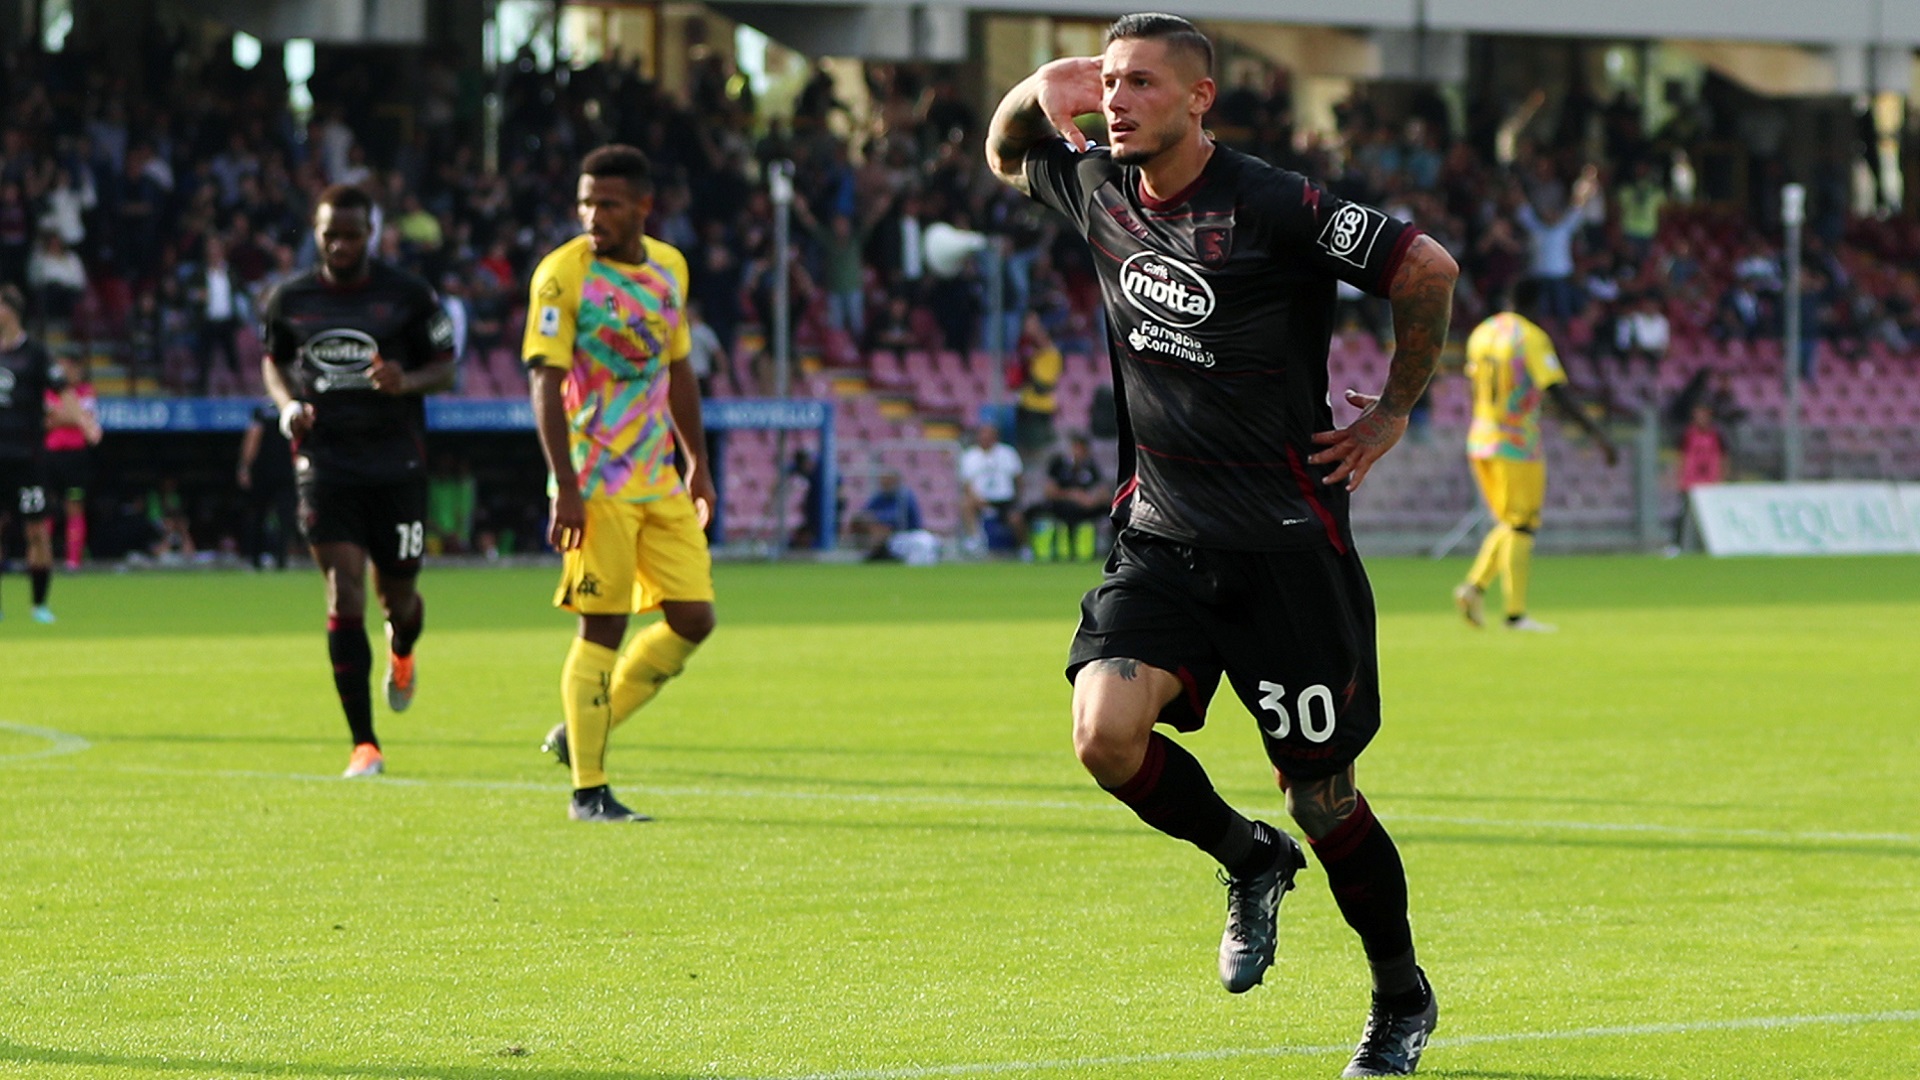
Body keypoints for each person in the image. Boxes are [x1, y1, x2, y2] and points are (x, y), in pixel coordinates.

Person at [986, 15, 1458, 1076]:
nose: (1117, 102)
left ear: (1201, 98)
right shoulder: (1098, 185)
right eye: (1109, 82)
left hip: (1286, 551)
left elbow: (1426, 267)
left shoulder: (1277, 205)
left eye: (1142, 84)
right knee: (1104, 737)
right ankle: (1249, 858)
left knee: (1323, 797)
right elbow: (1007, 150)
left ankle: (1399, 994)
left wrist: (1392, 410)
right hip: (1162, 536)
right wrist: (1039, 82)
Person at [524, 144, 719, 824]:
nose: (592, 216)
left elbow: (679, 367)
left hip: (657, 477)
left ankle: (582, 727)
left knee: (694, 617)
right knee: (603, 626)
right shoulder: (562, 276)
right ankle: (588, 790)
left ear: (643, 206)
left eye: (606, 204)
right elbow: (545, 382)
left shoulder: (669, 268)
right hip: (595, 481)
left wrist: (697, 461)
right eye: (585, 203)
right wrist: (565, 484)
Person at [260, 185, 457, 778]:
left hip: (396, 463)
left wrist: (406, 380)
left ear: (371, 234)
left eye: (352, 235)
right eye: (331, 235)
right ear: (316, 234)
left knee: (399, 600)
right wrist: (287, 407)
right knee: (343, 591)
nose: (341, 245)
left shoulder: (408, 295)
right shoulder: (290, 299)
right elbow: (274, 360)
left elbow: (446, 369)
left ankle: (402, 648)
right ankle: (364, 744)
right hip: (326, 462)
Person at [1453, 289, 1618, 633]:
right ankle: (1514, 614)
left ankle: (1475, 588)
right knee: (1522, 525)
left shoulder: (1482, 333)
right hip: (1517, 443)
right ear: (1534, 306)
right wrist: (1597, 434)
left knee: (1508, 523)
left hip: (1481, 437)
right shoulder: (1530, 337)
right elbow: (1555, 389)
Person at [0, 285, 81, 623]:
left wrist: (82, 420)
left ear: (10, 311)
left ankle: (39, 605)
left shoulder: (35, 353)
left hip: (28, 460)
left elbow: (63, 392)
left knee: (37, 532)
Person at [42, 354, 101, 570]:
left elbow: (86, 420)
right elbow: (46, 422)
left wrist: (60, 414)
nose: (65, 372)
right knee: (44, 508)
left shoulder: (86, 392)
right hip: (50, 456)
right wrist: (74, 417)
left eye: (69, 367)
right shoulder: (48, 391)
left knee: (74, 507)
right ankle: (43, 559)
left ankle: (73, 561)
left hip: (75, 457)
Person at [237, 399, 299, 569]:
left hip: (263, 472)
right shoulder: (291, 407)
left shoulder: (262, 411)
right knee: (285, 518)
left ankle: (256, 559)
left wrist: (244, 467)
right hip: (286, 472)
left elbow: (253, 437)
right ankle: (281, 560)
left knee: (259, 516)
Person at [1030, 433, 1103, 562]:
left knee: (1114, 509)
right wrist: (1073, 495)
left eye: (1082, 449)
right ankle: (1066, 550)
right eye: (1076, 448)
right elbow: (1049, 491)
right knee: (1067, 510)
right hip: (1061, 504)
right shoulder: (1058, 464)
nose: (1078, 452)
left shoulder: (1090, 466)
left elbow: (1101, 489)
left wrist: (1092, 499)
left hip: (1085, 506)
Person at [957, 422, 1026, 555]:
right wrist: (977, 499)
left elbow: (1018, 478)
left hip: (1004, 499)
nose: (985, 437)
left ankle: (1022, 547)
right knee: (966, 504)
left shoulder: (1007, 453)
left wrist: (1017, 499)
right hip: (981, 499)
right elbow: (967, 484)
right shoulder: (970, 456)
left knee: (1017, 517)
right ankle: (975, 540)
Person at [1667, 403, 1725, 556]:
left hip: (1710, 483)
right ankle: (1676, 545)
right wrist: (1678, 477)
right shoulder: (1687, 434)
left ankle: (1711, 545)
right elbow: (1681, 457)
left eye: (1703, 413)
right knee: (1683, 515)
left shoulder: (1716, 435)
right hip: (1690, 483)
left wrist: (1721, 477)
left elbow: (1723, 458)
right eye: (1698, 413)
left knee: (1711, 516)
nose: (1701, 417)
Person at [1012, 310, 1062, 464]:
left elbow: (1042, 384)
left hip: (1040, 409)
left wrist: (1030, 365)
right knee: (1023, 449)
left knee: (1038, 451)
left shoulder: (1051, 355)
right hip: (1025, 406)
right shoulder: (1026, 350)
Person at [850, 470, 925, 561]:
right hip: (889, 529)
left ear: (895, 481)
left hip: (907, 533)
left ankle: (875, 554)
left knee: (879, 527)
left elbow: (897, 518)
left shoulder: (904, 496)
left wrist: (876, 517)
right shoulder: (881, 495)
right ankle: (865, 550)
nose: (883, 485)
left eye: (886, 482)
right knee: (860, 521)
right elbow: (866, 510)